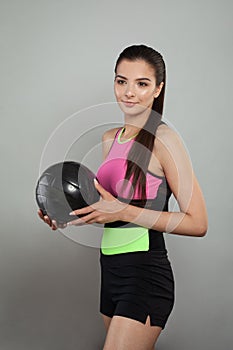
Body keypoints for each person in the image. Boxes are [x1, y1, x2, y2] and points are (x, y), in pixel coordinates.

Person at [38, 44, 208, 350]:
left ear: (158, 89)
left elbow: (198, 222)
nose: (129, 92)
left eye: (141, 84)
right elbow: (109, 211)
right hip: (111, 271)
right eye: (121, 81)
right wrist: (66, 215)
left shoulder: (165, 140)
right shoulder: (109, 139)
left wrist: (123, 211)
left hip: (145, 273)